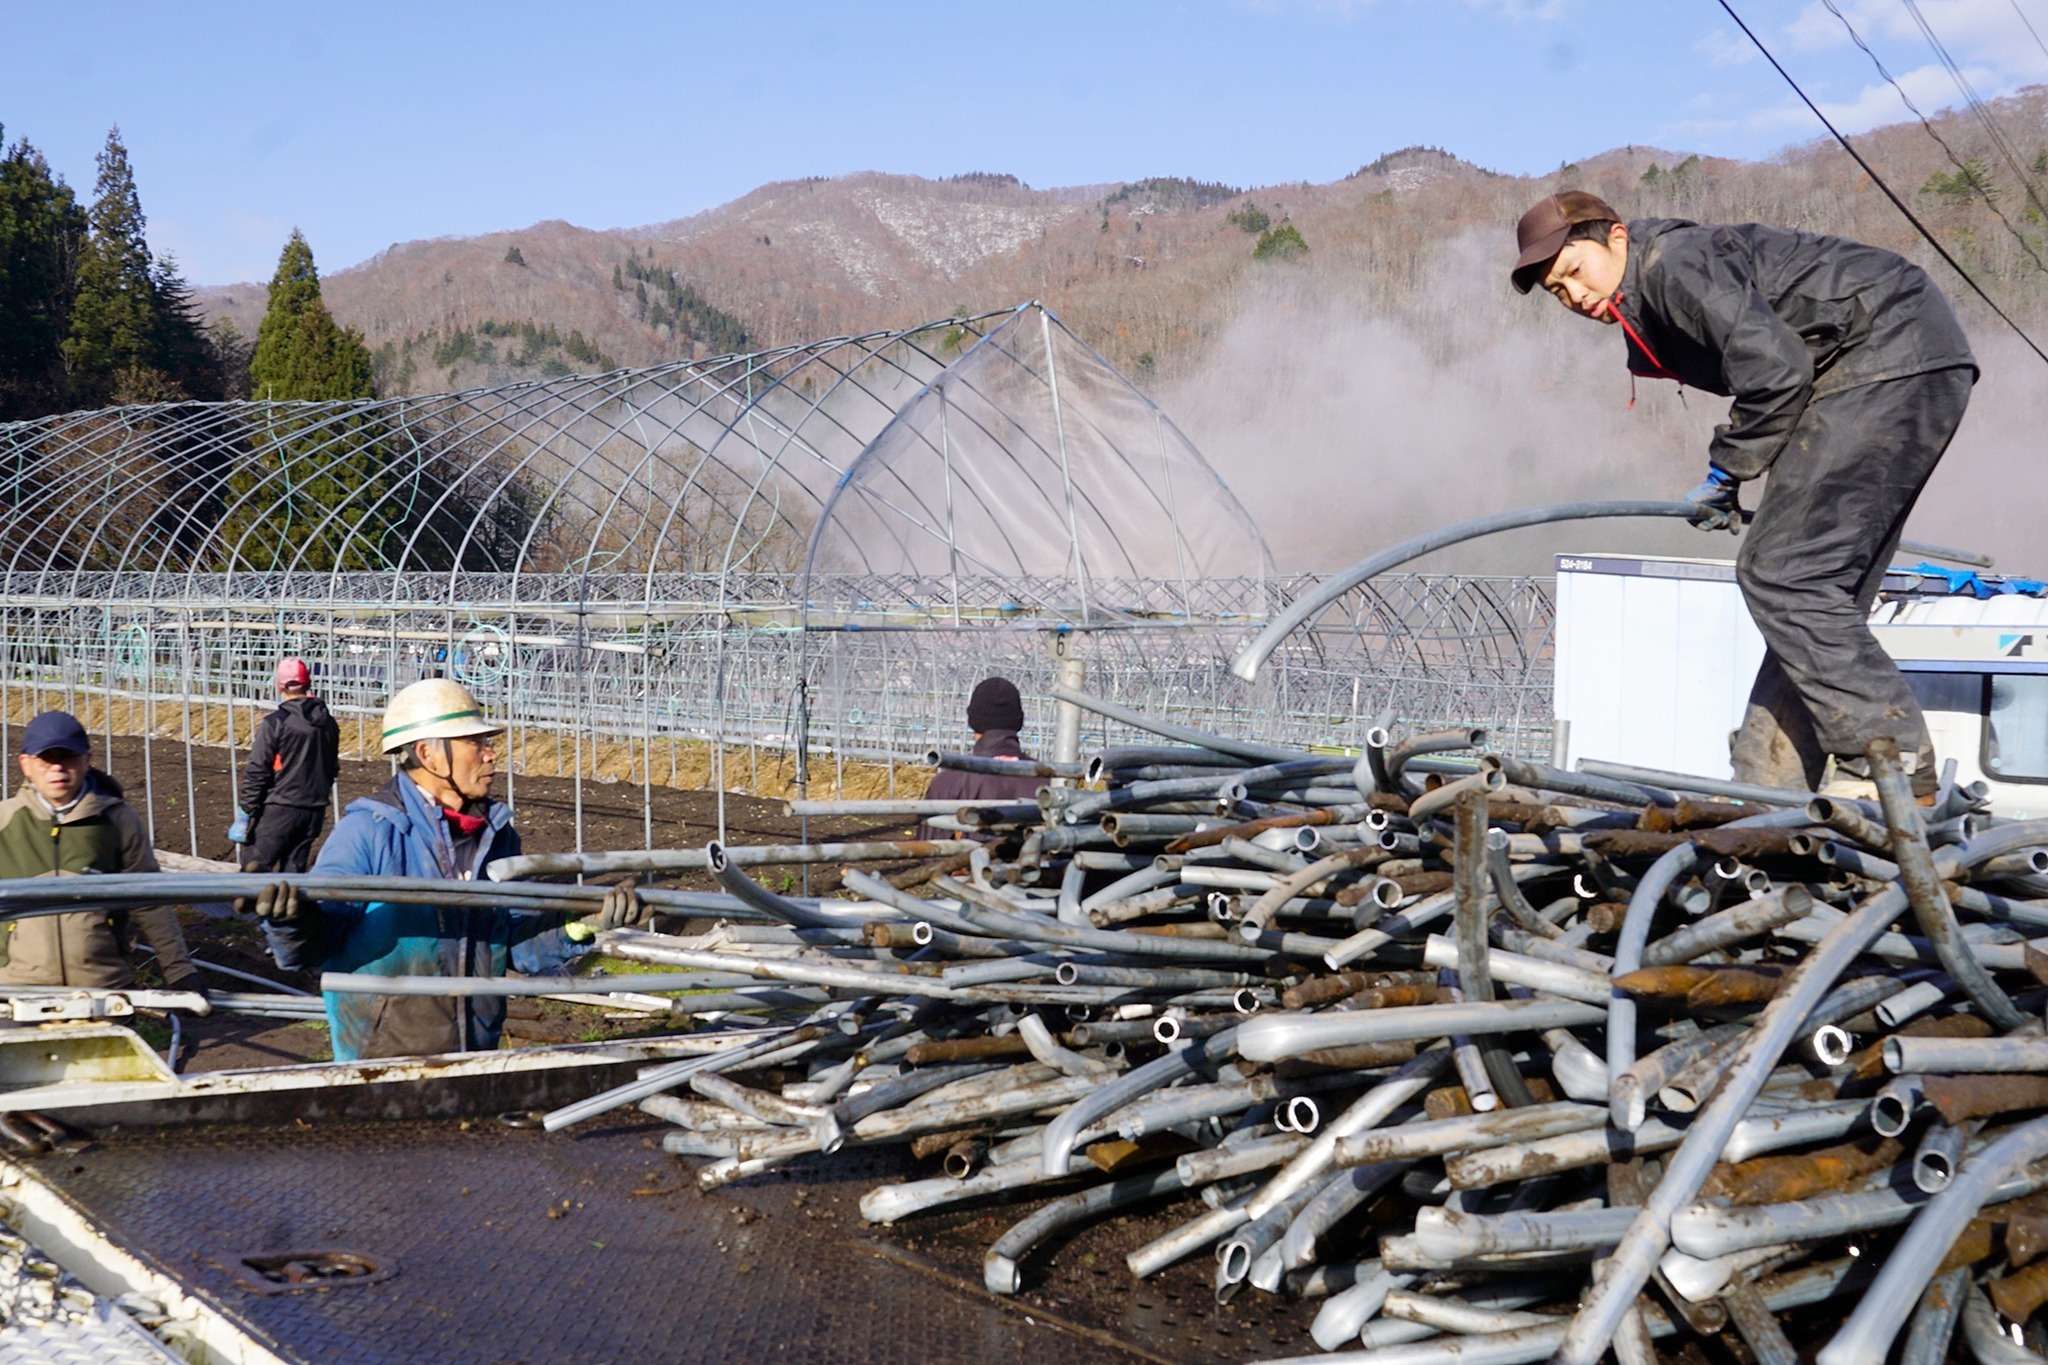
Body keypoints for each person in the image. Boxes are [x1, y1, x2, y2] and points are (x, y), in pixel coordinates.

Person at [1512, 190, 1976, 796]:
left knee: (1786, 576)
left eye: (1574, 271)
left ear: (1617, 239)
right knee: (1811, 590)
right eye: (1558, 292)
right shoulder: (1653, 288)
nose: (1574, 296)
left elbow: (1776, 371)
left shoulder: (1675, 265)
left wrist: (1727, 471)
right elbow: (1782, 368)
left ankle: (1889, 763)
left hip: (1886, 352)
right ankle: (1771, 781)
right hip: (1880, 362)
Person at [246, 678, 646, 1061]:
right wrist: (290, 919)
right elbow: (313, 947)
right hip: (380, 1061)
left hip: (474, 1054)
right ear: (427, 755)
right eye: (474, 742)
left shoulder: (499, 839)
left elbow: (515, 948)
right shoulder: (369, 832)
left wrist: (580, 925)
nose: (490, 754)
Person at [0, 710, 198, 991]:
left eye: (67, 757)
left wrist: (180, 971)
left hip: (103, 984)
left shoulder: (117, 820)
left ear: (87, 760)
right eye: (47, 759)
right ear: (26, 764)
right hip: (17, 988)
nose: (57, 768)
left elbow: (150, 899)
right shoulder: (5, 822)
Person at [230, 658, 340, 874]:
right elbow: (331, 768)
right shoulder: (329, 723)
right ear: (308, 684)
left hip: (280, 808)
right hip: (314, 810)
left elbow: (259, 770)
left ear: (279, 686)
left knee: (254, 870)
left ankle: (254, 905)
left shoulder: (276, 722)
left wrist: (246, 811)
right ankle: (288, 906)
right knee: (292, 876)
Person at [918, 677, 1045, 840]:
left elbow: (930, 854)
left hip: (966, 863)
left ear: (973, 720)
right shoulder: (1047, 781)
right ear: (1018, 721)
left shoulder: (948, 783)